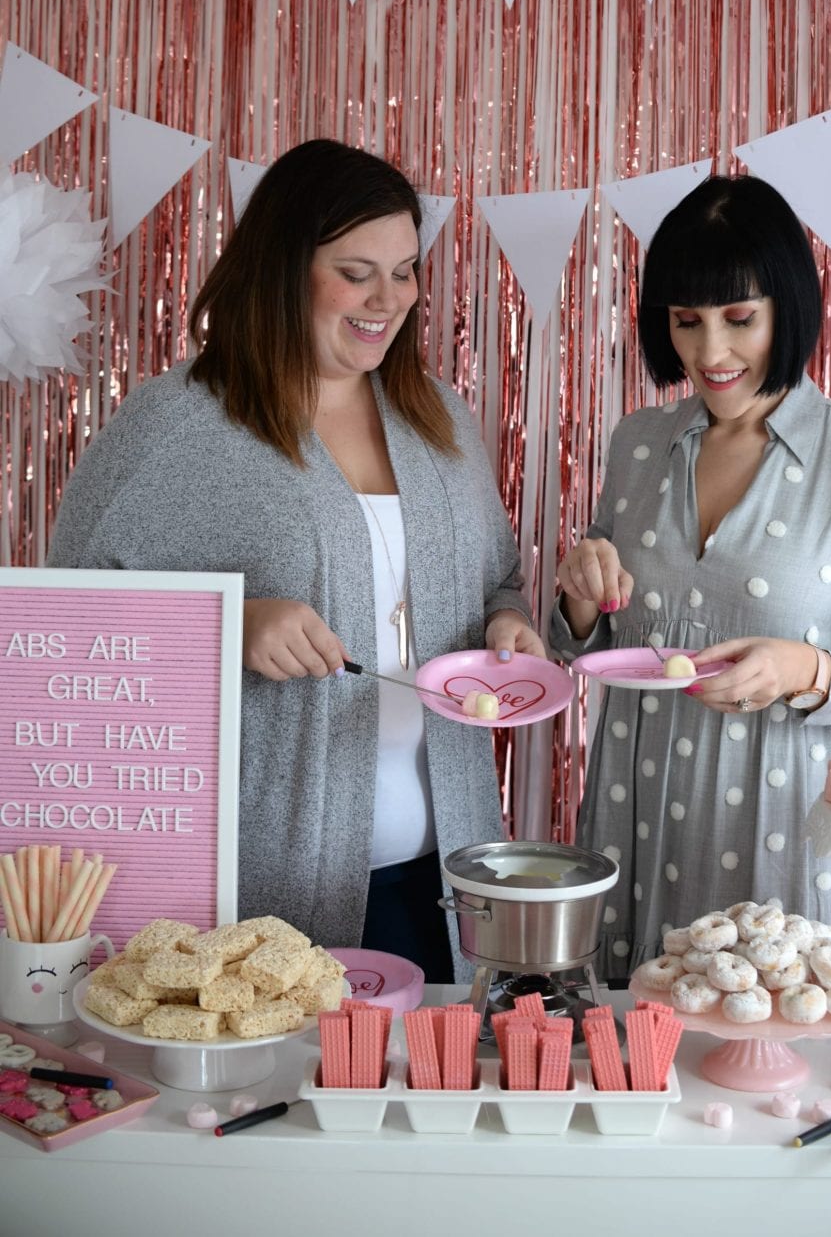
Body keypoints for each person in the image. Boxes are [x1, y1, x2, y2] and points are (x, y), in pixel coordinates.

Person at [47, 139, 544, 982]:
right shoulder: (178, 426)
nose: (388, 299)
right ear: (284, 268)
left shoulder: (440, 422)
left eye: (405, 270)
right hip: (258, 886)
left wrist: (510, 623)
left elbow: (500, 580)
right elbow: (58, 636)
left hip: (450, 876)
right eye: (356, 271)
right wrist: (229, 625)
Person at [552, 174, 831, 981]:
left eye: (739, 319)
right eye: (686, 321)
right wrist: (581, 595)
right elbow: (588, 641)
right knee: (630, 1059)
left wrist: (804, 669)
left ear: (786, 308)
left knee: (771, 1058)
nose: (710, 352)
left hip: (777, 828)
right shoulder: (639, 444)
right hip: (633, 809)